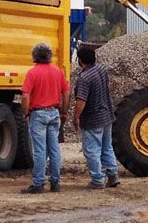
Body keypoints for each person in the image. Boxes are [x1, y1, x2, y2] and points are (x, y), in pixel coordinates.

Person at [21, 42, 70, 194]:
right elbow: (66, 93)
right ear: (49, 56)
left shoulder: (32, 73)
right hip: (54, 112)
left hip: (38, 113)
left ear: (34, 56)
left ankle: (38, 183)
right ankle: (55, 182)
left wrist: (26, 113)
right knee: (54, 149)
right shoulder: (57, 72)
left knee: (40, 151)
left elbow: (25, 95)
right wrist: (64, 112)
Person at [73, 45, 120, 189]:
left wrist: (76, 118)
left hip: (93, 119)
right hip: (107, 115)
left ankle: (97, 180)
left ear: (80, 60)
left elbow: (81, 101)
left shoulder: (85, 77)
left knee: (91, 150)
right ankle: (112, 175)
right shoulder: (101, 69)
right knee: (106, 147)